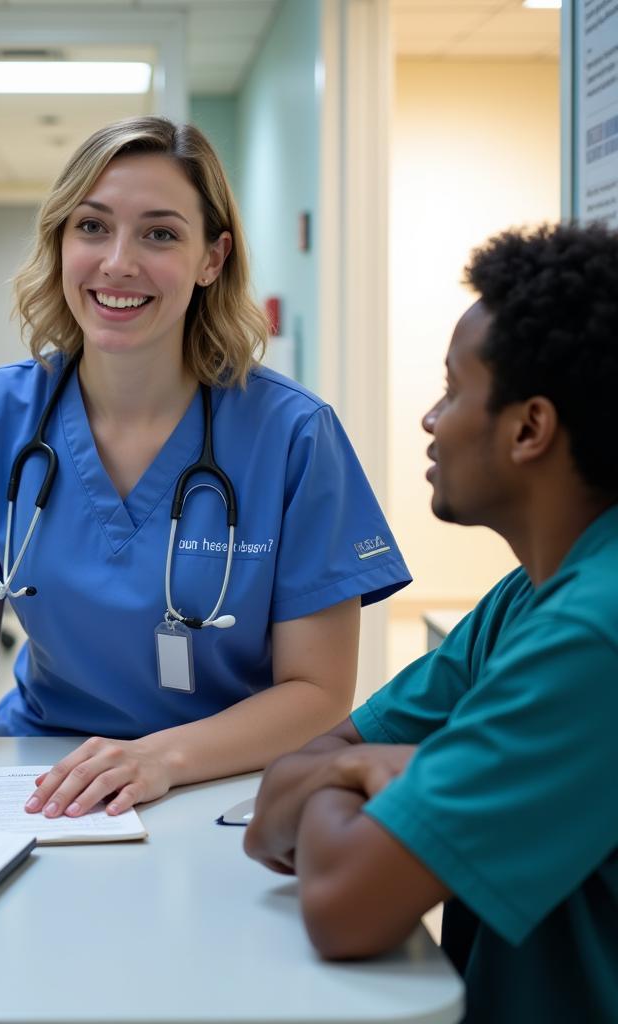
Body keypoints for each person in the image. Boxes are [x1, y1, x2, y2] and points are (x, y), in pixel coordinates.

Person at [0, 116, 410, 819]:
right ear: (61, 242)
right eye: (92, 227)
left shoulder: (292, 436)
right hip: (42, 779)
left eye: (159, 233)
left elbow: (316, 695)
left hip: (222, 782)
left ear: (212, 259)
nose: (117, 262)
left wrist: (160, 757)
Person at [244, 223, 618, 1022]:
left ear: (529, 429)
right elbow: (274, 806)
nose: (430, 419)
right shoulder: (526, 599)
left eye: (451, 389)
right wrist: (364, 770)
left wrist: (371, 773)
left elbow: (343, 904)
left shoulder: (594, 637)